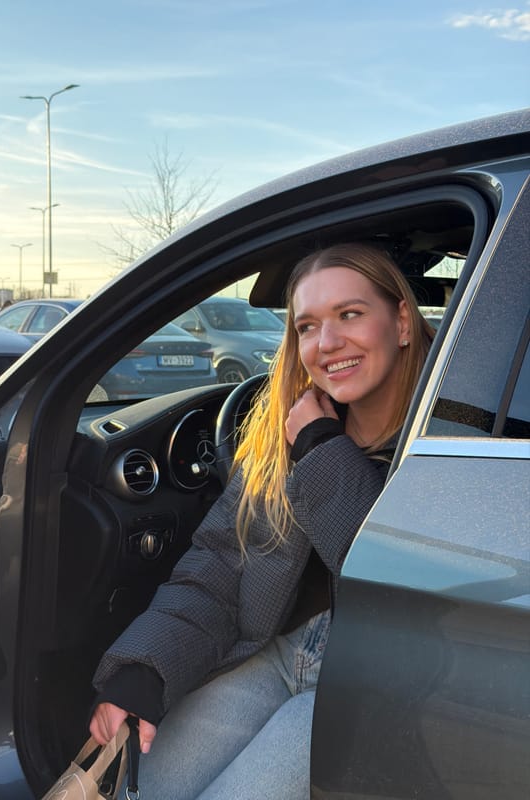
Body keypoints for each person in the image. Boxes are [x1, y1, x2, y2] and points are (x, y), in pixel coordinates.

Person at [89, 242, 435, 799]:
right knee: (141, 788)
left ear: (400, 323)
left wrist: (322, 452)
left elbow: (395, 582)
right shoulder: (287, 432)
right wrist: (143, 670)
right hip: (281, 653)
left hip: (377, 683)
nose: (326, 344)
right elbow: (221, 564)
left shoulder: (453, 437)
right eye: (306, 326)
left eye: (350, 315)